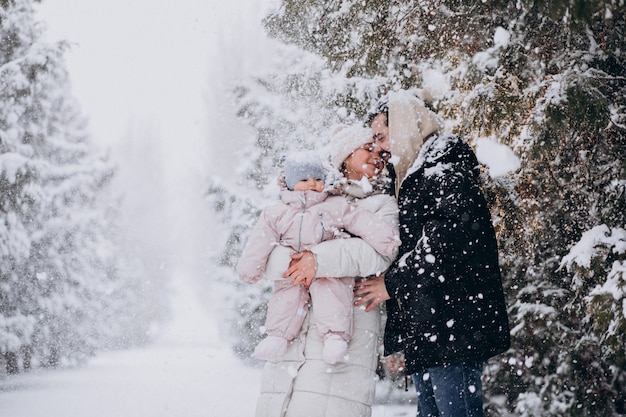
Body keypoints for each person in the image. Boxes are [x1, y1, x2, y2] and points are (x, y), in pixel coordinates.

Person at [354, 89, 511, 417]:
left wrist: (391, 284)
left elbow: (441, 245)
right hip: (432, 330)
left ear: (405, 125)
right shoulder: (415, 175)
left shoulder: (444, 170)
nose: (380, 147)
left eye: (382, 136)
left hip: (452, 327)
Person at [254, 125, 400, 417]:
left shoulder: (382, 204)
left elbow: (378, 254)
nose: (377, 157)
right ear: (344, 155)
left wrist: (315, 260)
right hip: (293, 332)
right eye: (367, 149)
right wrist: (295, 263)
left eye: (382, 153)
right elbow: (264, 257)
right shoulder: (300, 197)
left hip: (346, 331)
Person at [236, 150, 400, 365]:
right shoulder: (276, 212)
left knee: (333, 294)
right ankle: (278, 336)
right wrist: (250, 268)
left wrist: (385, 239)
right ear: (290, 183)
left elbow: (359, 219)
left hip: (327, 270)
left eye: (317, 179)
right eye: (304, 180)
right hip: (293, 272)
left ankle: (335, 336)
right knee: (286, 296)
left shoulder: (335, 204)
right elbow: (260, 240)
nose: (312, 184)